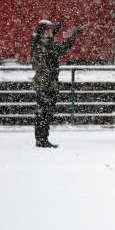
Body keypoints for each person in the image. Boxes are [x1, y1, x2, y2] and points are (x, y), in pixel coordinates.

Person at [30, 19, 81, 147]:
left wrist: (56, 30)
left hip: (43, 82)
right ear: (44, 31)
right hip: (47, 83)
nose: (50, 32)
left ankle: (40, 138)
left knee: (42, 111)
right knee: (45, 112)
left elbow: (48, 42)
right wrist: (74, 35)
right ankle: (42, 139)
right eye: (48, 30)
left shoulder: (38, 42)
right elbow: (63, 48)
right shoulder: (46, 45)